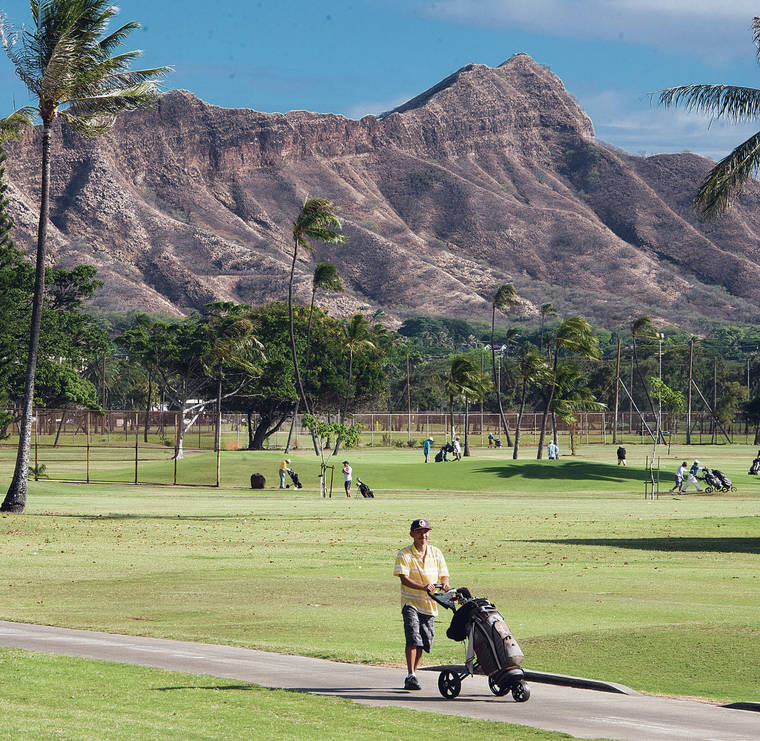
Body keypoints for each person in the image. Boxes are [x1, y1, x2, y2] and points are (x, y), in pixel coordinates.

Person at [393, 518, 450, 691]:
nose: (422, 535)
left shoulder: (436, 552)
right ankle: (411, 675)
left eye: (425, 532)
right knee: (413, 638)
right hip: (411, 602)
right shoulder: (404, 554)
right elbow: (404, 579)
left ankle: (414, 673)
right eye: (418, 532)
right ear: (411, 534)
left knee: (424, 642)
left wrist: (445, 583)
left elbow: (444, 574)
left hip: (430, 604)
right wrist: (423, 587)